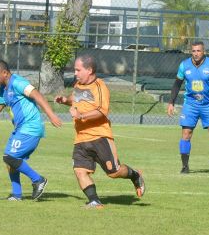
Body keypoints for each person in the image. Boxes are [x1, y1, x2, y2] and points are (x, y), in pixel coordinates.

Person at [0, 60, 62, 201]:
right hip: (20, 129)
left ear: (4, 73)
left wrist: (51, 115)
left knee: (10, 157)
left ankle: (38, 180)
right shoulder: (3, 89)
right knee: (10, 161)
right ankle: (16, 194)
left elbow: (38, 96)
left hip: (30, 127)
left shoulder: (18, 83)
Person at [55, 55, 145, 209]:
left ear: (89, 70)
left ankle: (135, 175)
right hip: (81, 138)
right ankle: (94, 201)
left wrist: (81, 115)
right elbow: (75, 98)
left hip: (99, 136)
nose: (75, 73)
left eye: (78, 70)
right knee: (80, 170)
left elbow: (102, 111)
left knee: (114, 172)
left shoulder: (100, 87)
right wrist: (65, 100)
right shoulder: (78, 85)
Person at [167, 41, 209, 175]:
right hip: (190, 105)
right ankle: (185, 167)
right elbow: (177, 84)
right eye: (193, 51)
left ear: (203, 51)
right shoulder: (184, 65)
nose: (196, 53)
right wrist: (171, 102)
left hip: (208, 105)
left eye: (198, 51)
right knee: (186, 134)